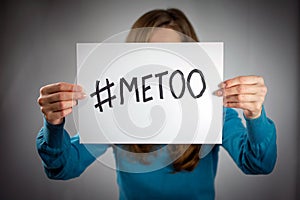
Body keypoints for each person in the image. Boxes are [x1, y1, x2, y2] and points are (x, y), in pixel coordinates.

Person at [36, 8, 277, 200]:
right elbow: (63, 167)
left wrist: (255, 115)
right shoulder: (114, 110)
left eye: (172, 54)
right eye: (150, 53)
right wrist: (54, 123)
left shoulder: (214, 112)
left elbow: (257, 164)